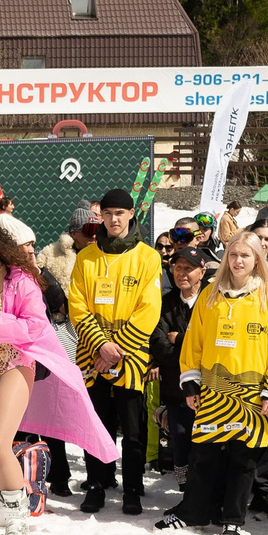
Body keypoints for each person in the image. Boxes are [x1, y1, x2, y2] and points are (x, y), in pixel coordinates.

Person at [0, 218, 115, 535]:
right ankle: (4, 504)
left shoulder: (21, 280)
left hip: (15, 363)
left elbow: (35, 327)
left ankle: (19, 512)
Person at [163, 222, 268, 535]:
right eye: (233, 254)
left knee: (244, 459)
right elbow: (193, 343)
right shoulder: (210, 294)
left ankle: (233, 518)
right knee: (203, 456)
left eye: (245, 256)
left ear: (257, 259)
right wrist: (191, 385)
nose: (238, 261)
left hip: (252, 394)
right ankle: (193, 512)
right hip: (213, 391)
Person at [67, 187, 163, 514]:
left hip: (131, 355)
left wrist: (116, 346)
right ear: (101, 217)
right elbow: (77, 307)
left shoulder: (149, 257)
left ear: (131, 214)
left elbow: (149, 309)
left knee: (133, 429)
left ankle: (132, 490)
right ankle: (96, 484)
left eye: (119, 213)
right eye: (107, 214)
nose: (114, 220)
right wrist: (101, 344)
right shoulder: (86, 257)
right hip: (92, 353)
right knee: (95, 424)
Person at [152, 240, 206, 478]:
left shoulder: (212, 302)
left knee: (205, 450)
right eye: (178, 268)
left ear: (202, 272)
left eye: (188, 268)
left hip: (208, 391)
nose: (182, 273)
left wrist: (181, 339)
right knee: (181, 447)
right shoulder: (165, 303)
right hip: (175, 390)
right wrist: (189, 350)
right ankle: (185, 498)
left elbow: (210, 347)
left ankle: (204, 501)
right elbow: (159, 346)